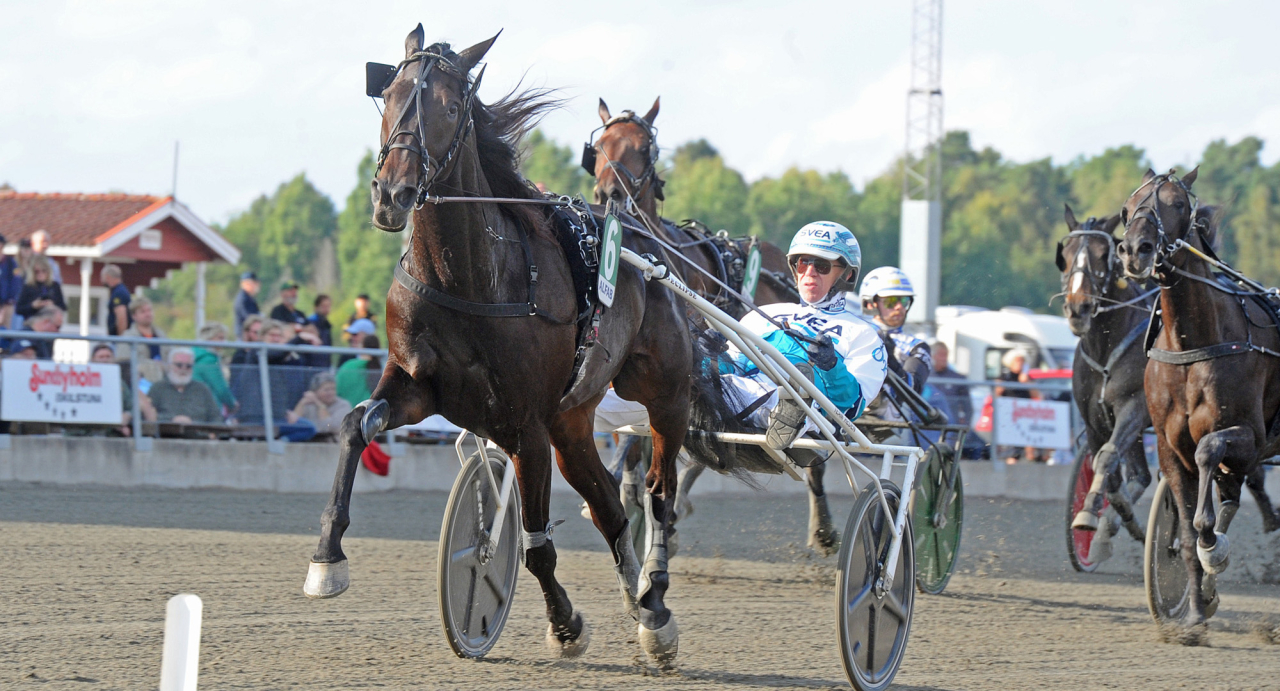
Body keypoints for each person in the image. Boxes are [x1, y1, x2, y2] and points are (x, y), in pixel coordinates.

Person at [858, 267, 931, 393]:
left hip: (890, 411)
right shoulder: (853, 333)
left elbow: (913, 389)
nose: (899, 307)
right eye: (890, 302)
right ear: (870, 304)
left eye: (904, 301)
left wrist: (889, 357)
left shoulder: (917, 346)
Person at [147, 348, 221, 424]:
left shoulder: (202, 389)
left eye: (188, 366)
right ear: (169, 366)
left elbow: (216, 416)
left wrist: (212, 434)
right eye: (179, 365)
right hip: (166, 434)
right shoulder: (158, 388)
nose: (184, 369)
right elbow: (148, 415)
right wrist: (172, 420)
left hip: (198, 435)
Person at [92, 343, 155, 428]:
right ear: (93, 360)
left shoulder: (120, 383)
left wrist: (128, 414)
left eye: (108, 357)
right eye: (101, 357)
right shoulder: (85, 383)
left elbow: (131, 405)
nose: (105, 360)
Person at [288, 371, 352, 436]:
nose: (331, 393)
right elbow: (294, 423)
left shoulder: (343, 405)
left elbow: (329, 427)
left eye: (333, 389)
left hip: (331, 442)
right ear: (315, 391)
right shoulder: (309, 403)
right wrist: (302, 403)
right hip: (307, 440)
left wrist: (320, 405)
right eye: (326, 390)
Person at [193, 322, 237, 416]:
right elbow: (220, 387)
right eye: (220, 338)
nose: (224, 342)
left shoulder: (195, 355)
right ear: (209, 338)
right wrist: (232, 404)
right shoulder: (209, 360)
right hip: (210, 408)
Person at [926, 339, 972, 426]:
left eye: (946, 355)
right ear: (933, 356)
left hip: (950, 425)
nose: (944, 358)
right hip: (928, 425)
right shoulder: (926, 376)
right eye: (941, 355)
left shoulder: (957, 379)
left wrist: (966, 426)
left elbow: (967, 407)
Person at [117, 297, 167, 365]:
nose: (148, 314)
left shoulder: (161, 335)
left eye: (149, 310)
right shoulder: (127, 337)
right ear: (134, 316)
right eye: (143, 311)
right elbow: (123, 363)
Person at [15, 255, 67, 320]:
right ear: (32, 272)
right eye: (37, 271)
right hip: (32, 322)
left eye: (43, 271)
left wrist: (52, 305)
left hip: (50, 323)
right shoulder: (28, 287)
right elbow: (18, 309)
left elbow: (63, 307)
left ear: (48, 271)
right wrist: (33, 306)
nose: (40, 274)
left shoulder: (54, 286)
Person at [336, 333, 381, 407]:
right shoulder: (383, 369)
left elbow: (337, 388)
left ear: (362, 346)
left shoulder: (349, 366)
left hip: (349, 411)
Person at [101, 264, 131, 336]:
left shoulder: (118, 293)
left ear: (107, 277)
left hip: (118, 339)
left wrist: (120, 339)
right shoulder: (120, 290)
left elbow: (121, 318)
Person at [233, 271, 261, 338]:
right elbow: (249, 319)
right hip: (245, 336)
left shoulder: (249, 298)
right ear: (245, 284)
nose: (256, 286)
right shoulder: (243, 299)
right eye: (253, 283)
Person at [0, 234, 18, 331]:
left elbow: (15, 282)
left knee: (6, 331)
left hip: (7, 304)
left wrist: (9, 300)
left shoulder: (11, 263)